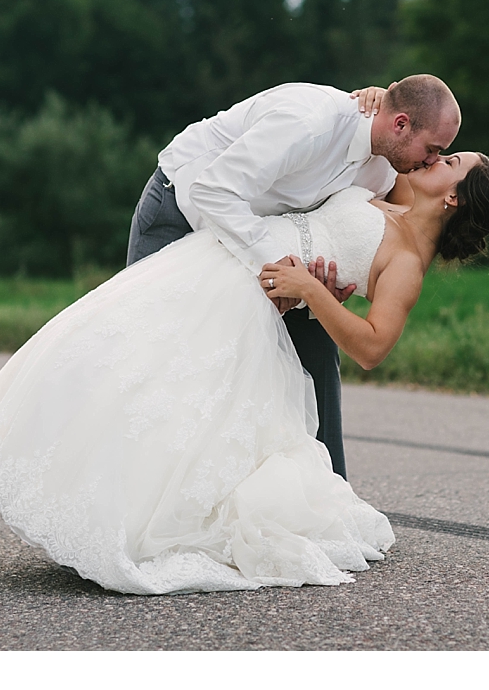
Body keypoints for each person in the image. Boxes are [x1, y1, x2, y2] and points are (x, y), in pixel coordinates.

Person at [0, 150, 489, 594]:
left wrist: (312, 289)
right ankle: (85, 499)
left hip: (250, 300)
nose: (440, 156)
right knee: (113, 357)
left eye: (454, 161)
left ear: (455, 199)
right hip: (220, 260)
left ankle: (128, 525)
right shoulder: (384, 194)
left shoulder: (408, 264)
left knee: (167, 393)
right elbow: (370, 139)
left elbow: (371, 346)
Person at [126, 75, 461, 480]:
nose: (431, 161)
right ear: (401, 124)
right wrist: (282, 273)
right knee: (156, 361)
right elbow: (212, 191)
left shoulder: (385, 168)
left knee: (315, 346)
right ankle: (139, 491)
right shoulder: (308, 123)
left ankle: (326, 497)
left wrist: (321, 281)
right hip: (181, 211)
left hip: (265, 247)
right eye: (432, 150)